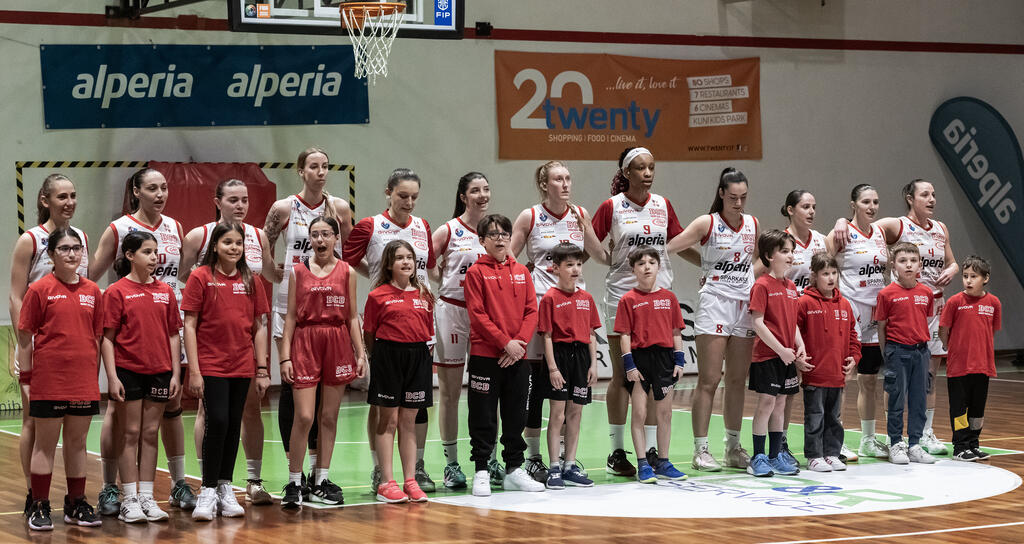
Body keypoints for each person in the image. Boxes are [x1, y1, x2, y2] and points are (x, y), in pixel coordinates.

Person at [88, 168, 192, 514]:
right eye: (152, 188)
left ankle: (175, 484)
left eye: (164, 188)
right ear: (136, 191)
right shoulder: (118, 229)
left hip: (164, 325)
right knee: (120, 417)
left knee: (171, 410)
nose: (160, 194)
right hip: (128, 332)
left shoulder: (175, 227)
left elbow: (182, 275)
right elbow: (91, 275)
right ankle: (112, 487)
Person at [835, 180, 958, 456]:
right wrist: (841, 220)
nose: (932, 199)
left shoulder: (941, 229)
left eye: (934, 194)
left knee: (928, 377)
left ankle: (923, 433)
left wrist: (953, 268)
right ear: (910, 198)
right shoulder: (895, 226)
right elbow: (860, 225)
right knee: (886, 379)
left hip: (930, 304)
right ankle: (889, 438)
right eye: (925, 194)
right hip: (893, 307)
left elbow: (952, 261)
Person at [180, 178, 277, 505]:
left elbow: (270, 274)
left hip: (243, 342)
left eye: (245, 199)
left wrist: (297, 270)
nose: (240, 205)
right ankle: (207, 482)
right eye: (233, 199)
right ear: (217, 201)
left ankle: (251, 481)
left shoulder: (258, 236)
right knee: (210, 413)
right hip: (210, 340)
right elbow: (181, 275)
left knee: (248, 411)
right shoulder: (199, 236)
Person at [510, 160, 607, 482]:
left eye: (568, 178)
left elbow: (599, 255)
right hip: (541, 305)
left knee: (569, 390)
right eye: (557, 179)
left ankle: (566, 458)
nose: (565, 184)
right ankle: (534, 457)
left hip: (574, 308)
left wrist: (588, 229)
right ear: (544, 184)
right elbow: (509, 259)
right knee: (537, 386)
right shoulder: (530, 216)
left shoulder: (579, 214)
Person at [263, 147, 352, 498]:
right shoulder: (284, 208)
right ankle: (294, 472)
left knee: (325, 404)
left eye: (325, 166)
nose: (321, 172)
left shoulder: (339, 208)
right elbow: (264, 244)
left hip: (328, 305)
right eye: (313, 166)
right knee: (294, 393)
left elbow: (350, 250)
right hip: (292, 304)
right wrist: (275, 275)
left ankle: (319, 473)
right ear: (301, 171)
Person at [591, 147, 685, 478]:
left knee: (657, 377)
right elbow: (591, 244)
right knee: (623, 376)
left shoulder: (663, 205)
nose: (647, 173)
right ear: (626, 172)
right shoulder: (612, 207)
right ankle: (617, 451)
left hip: (659, 298)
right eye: (641, 168)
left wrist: (709, 265)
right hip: (623, 297)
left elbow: (679, 242)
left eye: (651, 167)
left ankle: (652, 452)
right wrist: (603, 259)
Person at [344, 168, 436, 493]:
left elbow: (429, 267)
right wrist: (380, 276)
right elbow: (348, 261)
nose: (408, 202)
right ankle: (380, 470)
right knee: (382, 407)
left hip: (419, 318)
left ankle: (415, 470)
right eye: (402, 196)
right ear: (388, 192)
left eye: (414, 197)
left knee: (414, 408)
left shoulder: (423, 226)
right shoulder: (370, 226)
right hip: (386, 320)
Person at [665, 167, 758, 471]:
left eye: (743, 197)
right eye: (733, 197)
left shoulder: (752, 224)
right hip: (715, 304)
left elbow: (761, 258)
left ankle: (733, 448)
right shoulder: (708, 223)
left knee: (737, 380)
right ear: (721, 194)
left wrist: (748, 277)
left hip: (743, 306)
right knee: (709, 379)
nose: (738, 203)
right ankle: (700, 450)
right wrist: (706, 266)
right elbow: (672, 246)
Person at [8, 174, 90, 517]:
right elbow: (16, 296)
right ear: (45, 200)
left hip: (71, 348)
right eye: (61, 196)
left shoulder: (81, 237)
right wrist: (23, 343)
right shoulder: (30, 240)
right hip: (37, 345)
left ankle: (75, 499)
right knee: (33, 421)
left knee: (74, 432)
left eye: (73, 195)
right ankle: (35, 494)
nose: (69, 202)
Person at [17, 228, 103, 530]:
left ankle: (76, 502)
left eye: (77, 248)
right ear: (51, 255)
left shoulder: (93, 291)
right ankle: (39, 504)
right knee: (45, 444)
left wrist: (93, 378)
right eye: (64, 249)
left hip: (83, 382)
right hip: (48, 380)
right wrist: (26, 378)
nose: (72, 254)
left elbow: (96, 337)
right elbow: (25, 336)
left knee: (77, 444)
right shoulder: (39, 290)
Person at [278, 216, 366, 507]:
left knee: (329, 416)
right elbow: (290, 317)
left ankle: (321, 480)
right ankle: (294, 481)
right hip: (306, 341)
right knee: (304, 416)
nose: (320, 239)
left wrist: (360, 352)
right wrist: (285, 356)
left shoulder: (347, 271)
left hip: (337, 341)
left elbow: (352, 317)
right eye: (315, 234)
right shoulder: (298, 272)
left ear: (336, 238)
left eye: (326, 234)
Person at [101, 232, 182, 523]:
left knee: (150, 433)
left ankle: (147, 497)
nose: (153, 257)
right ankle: (129, 499)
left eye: (155, 252)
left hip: (160, 372)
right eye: (147, 252)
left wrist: (175, 372)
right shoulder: (116, 292)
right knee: (130, 433)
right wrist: (112, 377)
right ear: (130, 255)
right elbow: (107, 338)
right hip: (128, 372)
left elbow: (173, 334)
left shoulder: (165, 292)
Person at [464, 214, 544, 496]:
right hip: (486, 356)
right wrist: (504, 343)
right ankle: (482, 470)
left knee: (516, 414)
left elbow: (531, 311)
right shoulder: (475, 273)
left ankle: (513, 469)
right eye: (493, 235)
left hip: (517, 356)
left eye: (504, 234)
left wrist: (518, 344)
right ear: (482, 241)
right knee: (483, 415)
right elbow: (477, 314)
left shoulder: (522, 272)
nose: (500, 239)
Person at [363, 240, 436, 503]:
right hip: (387, 357)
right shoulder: (377, 295)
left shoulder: (424, 295)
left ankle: (410, 480)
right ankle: (386, 482)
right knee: (388, 421)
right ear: (388, 264)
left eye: (409, 257)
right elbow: (369, 333)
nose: (406, 262)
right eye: (399, 258)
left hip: (418, 357)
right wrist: (378, 359)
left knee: (408, 422)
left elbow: (428, 332)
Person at [430, 172, 489, 489]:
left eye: (486, 189)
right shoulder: (449, 230)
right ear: (463, 197)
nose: (482, 195)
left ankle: (488, 459)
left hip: (485, 315)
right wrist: (441, 280)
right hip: (452, 310)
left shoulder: (494, 231)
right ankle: (451, 464)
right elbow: (426, 263)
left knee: (487, 392)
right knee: (450, 393)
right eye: (475, 190)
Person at [826, 184, 890, 460]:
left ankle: (868, 440)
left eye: (875, 201)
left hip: (875, 315)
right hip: (850, 312)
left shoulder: (880, 232)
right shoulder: (841, 233)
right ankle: (834, 440)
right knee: (841, 378)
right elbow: (823, 267)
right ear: (853, 205)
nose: (872, 207)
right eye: (866, 202)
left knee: (869, 380)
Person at [615, 246, 688, 483]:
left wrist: (679, 360)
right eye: (641, 264)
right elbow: (624, 335)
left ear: (659, 266)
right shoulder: (628, 299)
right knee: (639, 413)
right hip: (640, 360)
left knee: (665, 413)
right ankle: (643, 463)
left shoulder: (669, 298)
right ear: (633, 269)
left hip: (665, 359)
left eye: (651, 262)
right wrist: (629, 365)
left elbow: (676, 331)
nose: (647, 267)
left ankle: (663, 462)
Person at [536, 243, 601, 489]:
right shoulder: (550, 298)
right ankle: (554, 467)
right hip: (560, 356)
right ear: (556, 268)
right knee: (558, 414)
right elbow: (547, 336)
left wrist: (594, 365)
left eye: (579, 264)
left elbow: (592, 334)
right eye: (569, 265)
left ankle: (570, 465)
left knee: (576, 413)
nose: (575, 269)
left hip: (581, 358)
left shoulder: (587, 298)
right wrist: (553, 368)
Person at [745, 229, 805, 478]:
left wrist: (799, 344)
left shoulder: (791, 286)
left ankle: (774, 455)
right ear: (770, 256)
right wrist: (780, 350)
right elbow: (757, 323)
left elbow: (792, 322)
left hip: (787, 356)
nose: (790, 256)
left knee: (780, 404)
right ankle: (757, 457)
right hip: (768, 356)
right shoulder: (762, 285)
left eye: (792, 251)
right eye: (784, 251)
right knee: (767, 403)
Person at [873, 242, 935, 465]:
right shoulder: (886, 294)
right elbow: (882, 327)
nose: (908, 265)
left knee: (919, 399)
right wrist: (888, 354)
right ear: (893, 265)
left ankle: (915, 444)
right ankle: (896, 443)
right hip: (897, 351)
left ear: (920, 264)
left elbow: (925, 319)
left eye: (913, 261)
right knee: (897, 399)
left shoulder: (926, 292)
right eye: (903, 261)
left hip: (921, 352)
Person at [797, 253, 860, 472]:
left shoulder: (845, 304)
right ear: (814, 276)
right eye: (825, 273)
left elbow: (853, 335)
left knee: (834, 417)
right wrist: (798, 357)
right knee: (815, 417)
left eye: (834, 273)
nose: (831, 278)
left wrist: (854, 358)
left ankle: (832, 453)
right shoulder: (804, 303)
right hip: (815, 374)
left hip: (837, 375)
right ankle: (814, 456)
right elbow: (794, 333)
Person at [939, 256, 1001, 462]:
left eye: (974, 276)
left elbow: (991, 331)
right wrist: (952, 348)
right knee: (959, 408)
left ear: (985, 278)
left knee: (977, 409)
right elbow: (943, 329)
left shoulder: (994, 303)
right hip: (959, 366)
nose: (968, 280)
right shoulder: (955, 302)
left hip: (983, 366)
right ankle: (960, 446)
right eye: (965, 276)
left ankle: (973, 444)